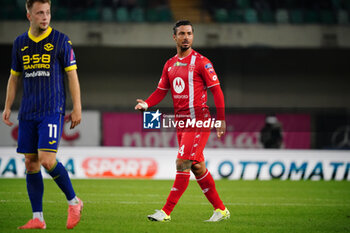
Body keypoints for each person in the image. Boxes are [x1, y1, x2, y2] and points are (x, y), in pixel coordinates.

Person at [135, 20, 230, 222]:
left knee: (183, 162)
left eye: (189, 33)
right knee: (197, 167)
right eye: (182, 34)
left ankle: (166, 212)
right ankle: (221, 210)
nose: (186, 37)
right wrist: (146, 104)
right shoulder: (169, 64)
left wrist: (221, 119)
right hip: (181, 123)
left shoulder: (202, 62)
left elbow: (217, 91)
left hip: (199, 121)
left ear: (192, 37)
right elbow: (161, 92)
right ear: (175, 37)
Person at [2, 0, 83, 229]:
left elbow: (72, 75)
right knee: (30, 163)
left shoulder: (61, 40)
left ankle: (74, 202)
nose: (45, 17)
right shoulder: (20, 43)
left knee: (47, 160)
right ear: (29, 15)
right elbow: (14, 76)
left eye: (47, 12)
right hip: (28, 111)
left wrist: (77, 107)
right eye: (39, 13)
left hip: (52, 109)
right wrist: (8, 106)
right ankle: (38, 217)